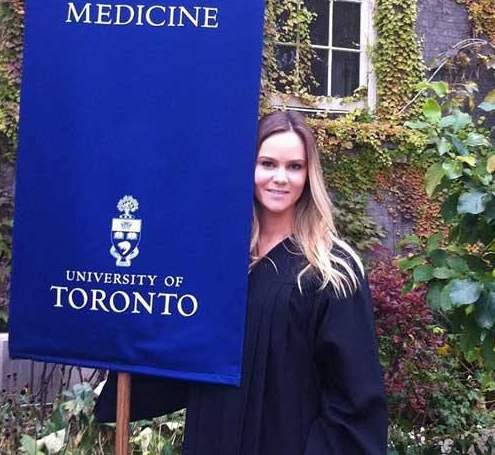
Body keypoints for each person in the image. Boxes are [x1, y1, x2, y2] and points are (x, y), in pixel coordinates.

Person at [95, 110, 388, 454]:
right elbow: (177, 347)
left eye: (294, 166)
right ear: (247, 167)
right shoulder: (217, 262)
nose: (280, 177)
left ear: (309, 176)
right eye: (267, 163)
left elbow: (354, 399)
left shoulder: (331, 271)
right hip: (212, 437)